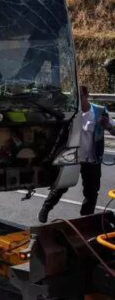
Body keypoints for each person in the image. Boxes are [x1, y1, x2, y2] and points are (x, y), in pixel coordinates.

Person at [38, 85, 115, 223]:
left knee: (91, 193)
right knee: (61, 186)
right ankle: (46, 208)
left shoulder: (99, 111)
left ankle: (85, 219)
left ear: (87, 95)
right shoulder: (71, 111)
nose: (78, 100)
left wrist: (108, 125)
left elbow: (112, 128)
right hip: (72, 157)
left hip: (92, 158)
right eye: (75, 97)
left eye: (80, 96)